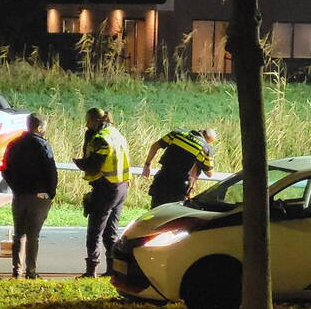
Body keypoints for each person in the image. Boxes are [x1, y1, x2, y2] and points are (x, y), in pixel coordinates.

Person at [73, 108, 130, 277]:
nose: (86, 125)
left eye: (88, 121)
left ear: (96, 121)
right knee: (111, 232)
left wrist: (79, 163)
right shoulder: (116, 133)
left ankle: (91, 271)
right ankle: (113, 270)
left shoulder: (100, 139)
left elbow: (93, 165)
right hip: (122, 187)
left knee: (94, 232)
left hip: (106, 188)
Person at [1, 113, 58, 279]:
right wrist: (50, 192)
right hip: (39, 195)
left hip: (19, 195)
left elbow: (5, 169)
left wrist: (15, 187)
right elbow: (51, 171)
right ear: (39, 127)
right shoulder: (43, 145)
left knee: (19, 233)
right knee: (33, 235)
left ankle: (16, 270)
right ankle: (31, 271)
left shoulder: (13, 144)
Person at [142, 128, 217, 208]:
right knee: (174, 215)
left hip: (162, 179)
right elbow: (209, 173)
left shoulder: (177, 133)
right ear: (208, 139)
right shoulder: (205, 148)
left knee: (155, 210)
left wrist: (147, 165)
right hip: (180, 187)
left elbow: (155, 146)